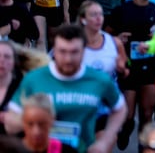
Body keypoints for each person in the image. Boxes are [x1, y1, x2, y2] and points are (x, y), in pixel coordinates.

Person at [6, 24, 127, 153]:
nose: (68, 59)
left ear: (84, 50)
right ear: (54, 50)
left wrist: (105, 141)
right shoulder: (34, 79)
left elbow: (120, 108)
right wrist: (34, 121)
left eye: (74, 52)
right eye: (62, 51)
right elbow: (11, 121)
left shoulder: (99, 79)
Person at [107, 0, 155, 150]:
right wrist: (118, 39)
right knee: (128, 116)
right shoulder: (121, 11)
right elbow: (106, 35)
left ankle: (143, 148)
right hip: (128, 67)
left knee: (147, 114)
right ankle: (125, 129)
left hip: (151, 66)